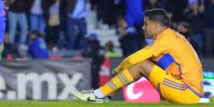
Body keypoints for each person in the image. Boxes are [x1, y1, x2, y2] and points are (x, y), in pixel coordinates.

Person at [71, 9, 206, 104]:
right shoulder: (170, 37)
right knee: (144, 64)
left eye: (146, 24)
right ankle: (105, 95)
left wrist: (119, 69)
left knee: (141, 64)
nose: (143, 27)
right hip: (188, 89)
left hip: (187, 92)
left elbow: (134, 59)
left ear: (155, 25)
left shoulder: (165, 40)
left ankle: (99, 95)